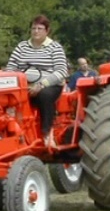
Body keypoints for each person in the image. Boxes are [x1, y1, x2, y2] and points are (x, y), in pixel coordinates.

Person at [5, 14, 68, 148]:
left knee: (45, 96)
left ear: (47, 31)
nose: (36, 31)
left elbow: (61, 72)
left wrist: (41, 85)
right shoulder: (22, 47)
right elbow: (10, 68)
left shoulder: (54, 48)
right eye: (33, 28)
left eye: (40, 28)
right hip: (23, 86)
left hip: (49, 85)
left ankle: (47, 134)